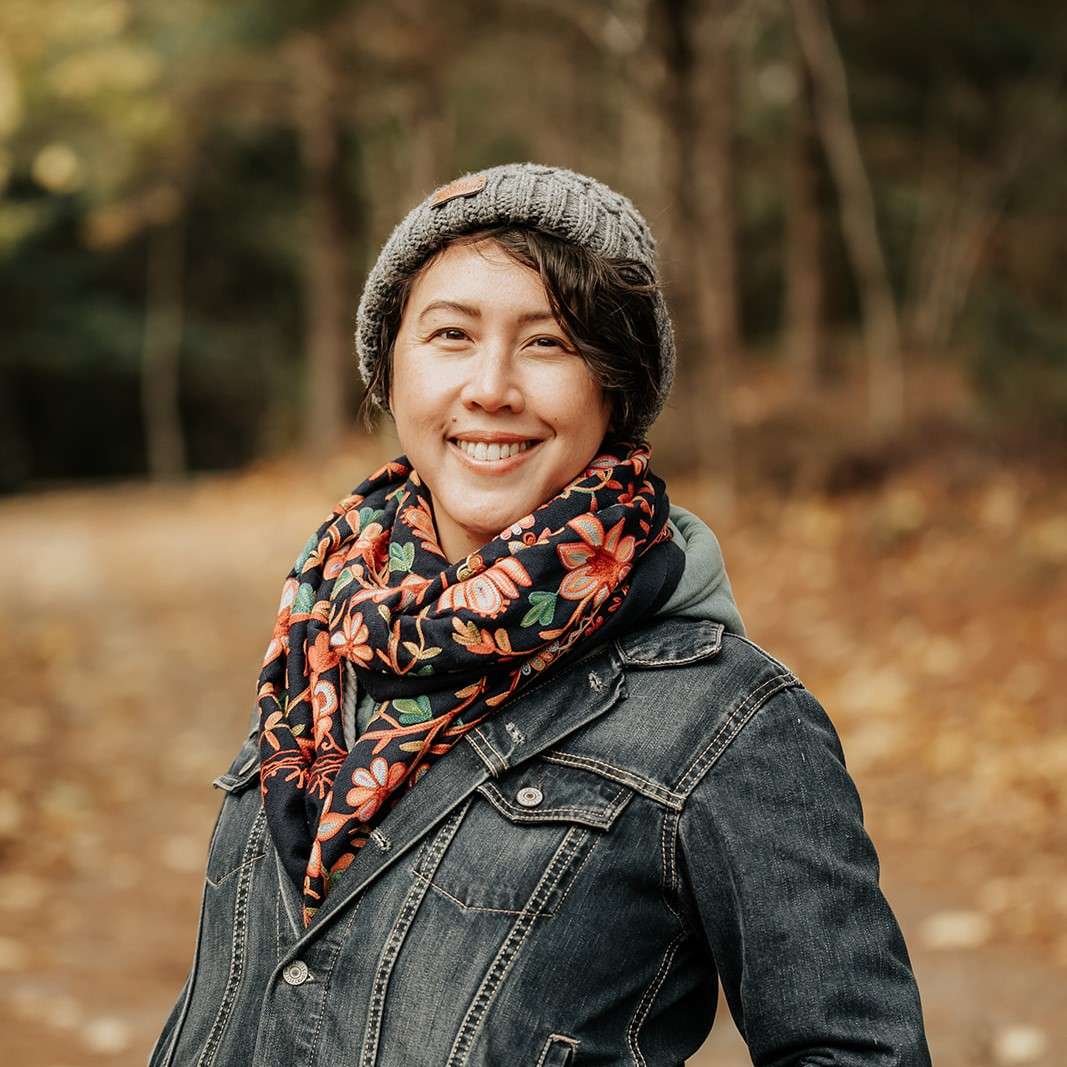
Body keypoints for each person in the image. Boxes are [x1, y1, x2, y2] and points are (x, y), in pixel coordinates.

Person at [148, 162, 931, 1066]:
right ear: (389, 370)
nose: (490, 387)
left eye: (547, 342)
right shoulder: (323, 641)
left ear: (616, 386)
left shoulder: (727, 720)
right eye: (449, 334)